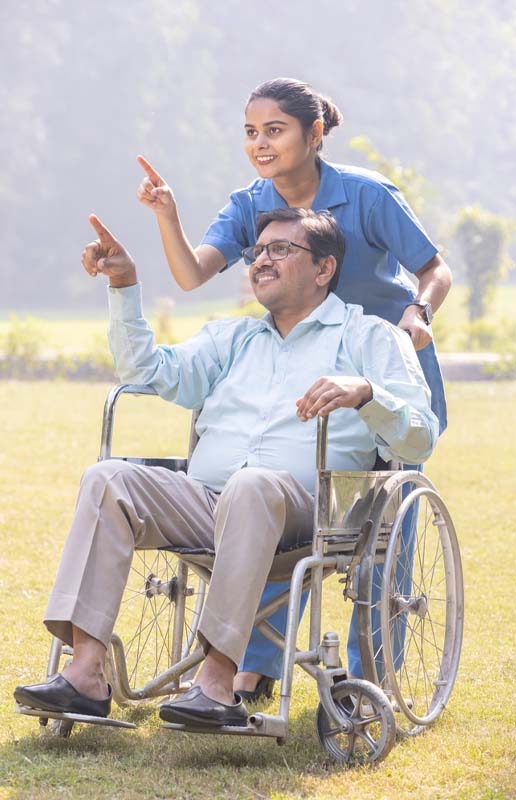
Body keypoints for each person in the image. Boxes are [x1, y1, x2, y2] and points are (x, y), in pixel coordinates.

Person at [14, 208, 438, 728]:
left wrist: (366, 392)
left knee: (253, 484)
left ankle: (216, 685)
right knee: (108, 478)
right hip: (210, 503)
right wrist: (124, 284)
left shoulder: (369, 337)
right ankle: (85, 675)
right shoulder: (231, 338)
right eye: (256, 252)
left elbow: (420, 431)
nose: (261, 261)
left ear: (324, 268)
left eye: (280, 250)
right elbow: (147, 371)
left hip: (310, 516)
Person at [135, 77, 452, 698]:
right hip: (296, 368)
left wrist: (420, 312)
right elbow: (193, 272)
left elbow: (433, 267)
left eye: (274, 130)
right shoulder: (250, 202)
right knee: (276, 498)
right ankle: (252, 668)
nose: (260, 143)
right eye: (251, 132)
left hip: (377, 367)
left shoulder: (365, 195)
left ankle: (369, 676)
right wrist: (167, 216)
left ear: (314, 134)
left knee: (379, 529)